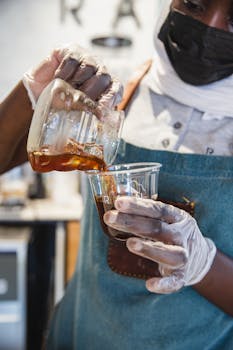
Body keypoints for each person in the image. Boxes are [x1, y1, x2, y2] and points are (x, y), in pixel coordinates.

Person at [1, 1, 233, 349]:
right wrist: (32, 93)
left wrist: (203, 263)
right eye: (194, 4)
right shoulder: (119, 96)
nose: (210, 27)